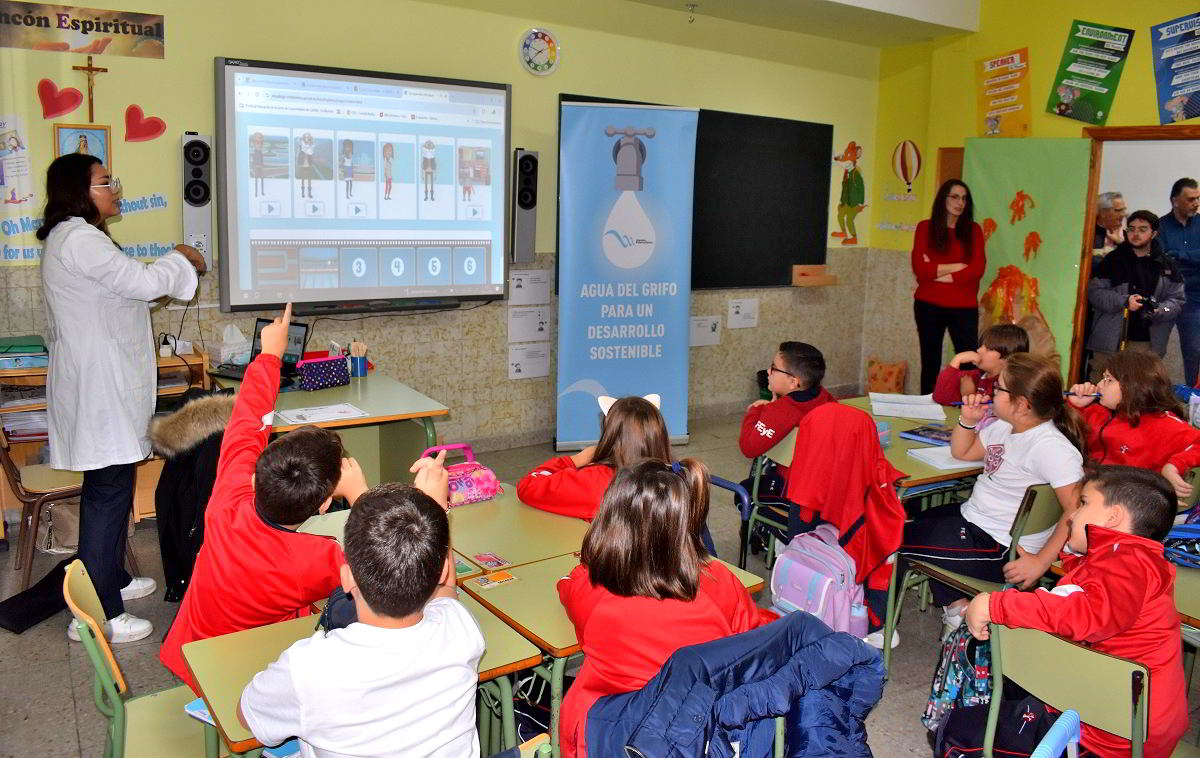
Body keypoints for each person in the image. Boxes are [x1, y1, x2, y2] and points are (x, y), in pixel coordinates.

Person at [159, 305, 443, 691]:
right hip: (251, 676)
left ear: (257, 477)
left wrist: (269, 355)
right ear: (326, 504)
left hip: (194, 657)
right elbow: (390, 568)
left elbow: (246, 420)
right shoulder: (319, 560)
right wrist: (361, 495)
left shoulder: (228, 499)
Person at [38, 153, 205, 642]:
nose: (115, 189)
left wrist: (165, 274)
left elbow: (133, 292)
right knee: (109, 494)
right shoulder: (80, 239)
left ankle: (110, 578)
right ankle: (97, 614)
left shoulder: (77, 240)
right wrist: (181, 256)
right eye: (105, 182)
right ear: (78, 191)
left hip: (101, 387)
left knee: (108, 489)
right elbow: (145, 283)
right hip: (99, 389)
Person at [238, 479, 484, 757]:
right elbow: (447, 589)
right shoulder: (460, 628)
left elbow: (246, 716)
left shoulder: (307, 668)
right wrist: (439, 507)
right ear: (441, 571)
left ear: (346, 578)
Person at [557, 459, 777, 758]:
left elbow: (567, 587)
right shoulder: (721, 581)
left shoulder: (594, 592)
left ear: (609, 522)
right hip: (698, 731)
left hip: (611, 735)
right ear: (687, 523)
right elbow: (752, 640)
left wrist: (586, 568)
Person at [965, 466, 1187, 758]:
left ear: (1113, 516)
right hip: (1122, 716)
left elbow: (1086, 615)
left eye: (1083, 503)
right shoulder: (1129, 559)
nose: (1071, 515)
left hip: (1115, 733)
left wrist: (995, 605)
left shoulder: (1127, 563)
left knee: (964, 733)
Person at [898, 353, 1085, 637]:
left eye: (998, 389)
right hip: (974, 522)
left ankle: (873, 625)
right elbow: (962, 452)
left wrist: (1041, 561)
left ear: (1022, 404)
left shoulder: (1051, 448)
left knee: (892, 540)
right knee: (915, 520)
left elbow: (1075, 509)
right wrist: (968, 420)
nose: (990, 392)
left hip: (998, 546)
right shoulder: (1003, 427)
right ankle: (958, 608)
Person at [1068, 350, 1200, 498]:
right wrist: (1075, 406)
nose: (1098, 385)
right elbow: (1058, 436)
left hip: (1131, 502)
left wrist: (1174, 465)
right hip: (1090, 491)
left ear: (1133, 386)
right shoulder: (1097, 412)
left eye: (1108, 379)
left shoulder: (1164, 424)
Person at [517, 394, 670, 520]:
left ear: (610, 435)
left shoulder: (594, 481)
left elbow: (528, 487)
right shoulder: (678, 478)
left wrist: (573, 461)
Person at [911, 179, 988, 395]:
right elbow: (920, 270)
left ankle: (967, 406)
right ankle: (927, 405)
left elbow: (977, 270)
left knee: (969, 361)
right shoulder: (925, 228)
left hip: (963, 307)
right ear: (943, 199)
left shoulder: (973, 231)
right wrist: (957, 266)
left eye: (964, 198)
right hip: (928, 304)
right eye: (954, 197)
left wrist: (936, 271)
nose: (960, 202)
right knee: (930, 361)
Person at [1086, 210, 1183, 378]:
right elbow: (1095, 293)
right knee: (1100, 387)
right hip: (1109, 342)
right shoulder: (1112, 260)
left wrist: (1160, 310)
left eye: (1142, 229)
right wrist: (1124, 302)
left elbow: (1177, 300)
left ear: (1154, 233)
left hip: (1147, 343)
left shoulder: (1166, 265)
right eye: (1131, 229)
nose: (1135, 234)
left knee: (1139, 391)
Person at [1160, 178, 1200, 385]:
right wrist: (1192, 256)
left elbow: (1172, 256)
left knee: (1194, 350)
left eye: (1198, 198)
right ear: (1175, 201)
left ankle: (1195, 400)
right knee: (1155, 351)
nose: (1196, 203)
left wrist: (1179, 255)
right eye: (1191, 199)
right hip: (1166, 296)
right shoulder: (1160, 226)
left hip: (1194, 297)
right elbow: (1162, 258)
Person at [931, 323, 1029, 405]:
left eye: (989, 349)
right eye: (981, 345)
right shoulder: (972, 376)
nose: (978, 350)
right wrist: (956, 360)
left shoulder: (1008, 387)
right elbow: (940, 398)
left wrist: (969, 394)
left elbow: (990, 418)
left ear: (1007, 358)